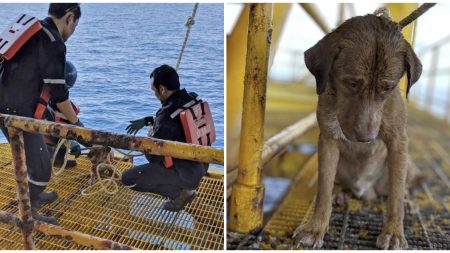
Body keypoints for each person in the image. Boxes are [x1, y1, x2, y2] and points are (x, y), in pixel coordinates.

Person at [0, 3, 82, 225]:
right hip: (18, 114)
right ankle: (30, 213)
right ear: (70, 18)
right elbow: (59, 93)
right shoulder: (53, 41)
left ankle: (32, 195)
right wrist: (76, 124)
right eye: (75, 25)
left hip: (4, 106)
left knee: (29, 157)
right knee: (43, 169)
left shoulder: (32, 29)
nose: (72, 31)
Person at [122, 64, 208, 212]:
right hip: (202, 165)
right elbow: (178, 125)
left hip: (184, 174)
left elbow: (153, 157)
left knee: (128, 178)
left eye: (154, 90)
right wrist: (148, 120)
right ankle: (185, 188)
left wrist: (148, 139)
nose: (154, 94)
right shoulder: (194, 98)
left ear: (162, 89)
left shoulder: (167, 115)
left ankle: (180, 194)